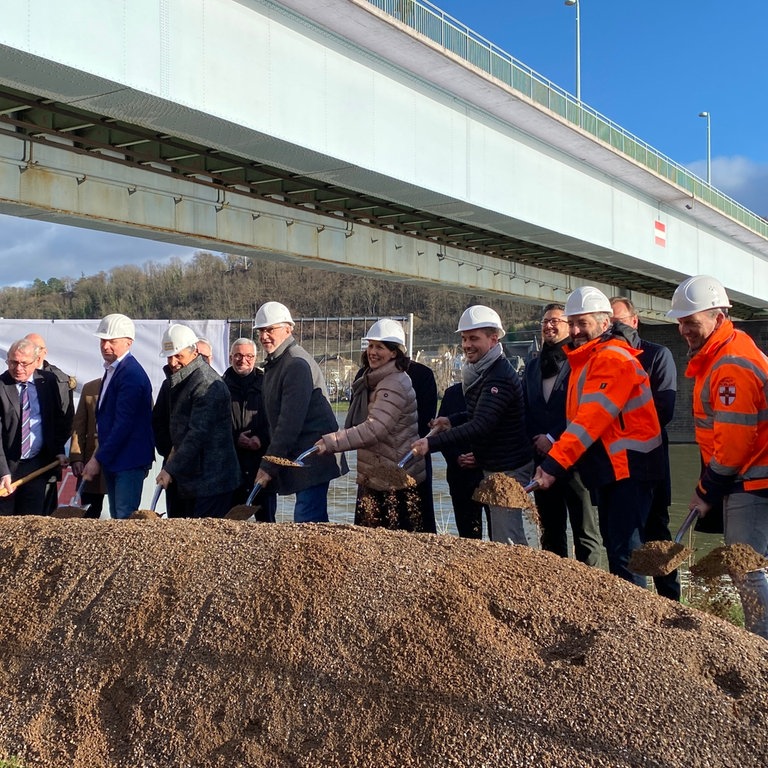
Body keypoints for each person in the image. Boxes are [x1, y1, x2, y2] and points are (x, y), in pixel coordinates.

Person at [533, 287, 664, 586]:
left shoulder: (610, 359)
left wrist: (554, 464)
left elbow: (590, 421)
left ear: (605, 325)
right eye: (574, 323)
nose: (577, 330)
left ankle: (635, 622)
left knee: (625, 554)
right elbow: (581, 422)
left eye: (584, 323)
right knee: (617, 549)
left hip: (629, 468)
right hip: (613, 469)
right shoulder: (586, 360)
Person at [667, 275, 768, 639]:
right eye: (680, 322)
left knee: (747, 569)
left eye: (691, 322)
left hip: (752, 480)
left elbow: (735, 442)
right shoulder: (729, 352)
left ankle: (760, 648)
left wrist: (707, 489)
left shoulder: (731, 366)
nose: (684, 330)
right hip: (749, 477)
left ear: (719, 317)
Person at [411, 305, 534, 546]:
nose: (467, 345)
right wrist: (451, 420)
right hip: (497, 464)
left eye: (474, 339)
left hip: (508, 468)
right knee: (503, 536)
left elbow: (481, 424)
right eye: (464, 338)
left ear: (493, 339)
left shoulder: (498, 376)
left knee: (507, 539)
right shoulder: (485, 371)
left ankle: (516, 580)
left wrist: (430, 443)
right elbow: (481, 412)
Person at [314, 319, 426, 531]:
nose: (373, 352)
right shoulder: (374, 379)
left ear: (394, 353)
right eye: (371, 345)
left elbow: (375, 428)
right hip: (378, 474)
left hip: (392, 479)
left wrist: (332, 442)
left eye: (380, 347)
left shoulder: (392, 384)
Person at [611, 296, 680, 600]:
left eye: (620, 321)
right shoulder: (605, 359)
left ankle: (671, 603)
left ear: (634, 321)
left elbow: (664, 410)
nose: (615, 327)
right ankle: (637, 606)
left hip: (651, 462)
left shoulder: (656, 355)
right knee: (626, 540)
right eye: (609, 322)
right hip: (617, 466)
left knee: (657, 535)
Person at [523, 303, 602, 565]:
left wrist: (552, 438)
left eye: (556, 320)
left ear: (570, 326)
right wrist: (538, 439)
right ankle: (555, 589)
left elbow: (583, 410)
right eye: (545, 321)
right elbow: (527, 408)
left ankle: (592, 589)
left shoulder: (581, 361)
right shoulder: (533, 367)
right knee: (549, 533)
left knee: (586, 534)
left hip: (577, 461)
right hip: (543, 464)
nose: (549, 325)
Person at [253, 301, 344, 523]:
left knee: (307, 523)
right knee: (308, 524)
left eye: (270, 330)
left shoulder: (295, 364)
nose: (264, 336)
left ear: (288, 329)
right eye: (261, 331)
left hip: (314, 454)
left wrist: (268, 466)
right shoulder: (278, 363)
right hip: (302, 455)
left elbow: (289, 423)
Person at [155, 324, 240, 518]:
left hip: (211, 482)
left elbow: (197, 434)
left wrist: (170, 468)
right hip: (185, 478)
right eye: (169, 356)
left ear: (194, 352)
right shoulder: (175, 381)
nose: (173, 362)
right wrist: (168, 453)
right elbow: (160, 423)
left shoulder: (207, 383)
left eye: (178, 356)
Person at [81, 313, 155, 519]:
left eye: (112, 341)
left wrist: (97, 458)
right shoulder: (114, 370)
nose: (105, 346)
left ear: (128, 343)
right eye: (103, 340)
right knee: (117, 517)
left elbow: (123, 424)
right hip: (117, 458)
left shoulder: (130, 374)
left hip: (129, 458)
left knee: (124, 517)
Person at [0, 338, 69, 515]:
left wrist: (59, 450)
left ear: (36, 361)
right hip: (7, 467)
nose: (18, 368)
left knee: (32, 522)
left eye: (24, 363)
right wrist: (3, 472)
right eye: (13, 362)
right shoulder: (1, 385)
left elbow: (56, 420)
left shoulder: (48, 382)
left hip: (37, 466)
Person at [223, 337, 276, 522]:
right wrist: (235, 438)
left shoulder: (267, 383)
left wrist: (261, 438)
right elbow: (214, 425)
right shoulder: (219, 386)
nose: (242, 360)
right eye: (238, 355)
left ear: (255, 358)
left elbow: (276, 421)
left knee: (267, 524)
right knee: (230, 525)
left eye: (248, 356)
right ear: (230, 358)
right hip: (231, 468)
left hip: (261, 466)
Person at [25, 332, 76, 516]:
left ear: (43, 353)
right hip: (17, 463)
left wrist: (56, 449)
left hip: (46, 459)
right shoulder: (11, 378)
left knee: (42, 512)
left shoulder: (58, 380)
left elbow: (66, 419)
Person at [437, 382, 487, 539]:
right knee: (467, 535)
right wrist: (456, 457)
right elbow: (440, 433)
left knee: (500, 533)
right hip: (459, 473)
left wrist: (481, 457)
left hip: (490, 471)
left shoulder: (496, 390)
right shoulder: (452, 393)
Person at [68, 377, 107, 519]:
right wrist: (76, 457)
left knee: (122, 513)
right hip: (90, 460)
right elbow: (79, 425)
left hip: (122, 461)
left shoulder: (134, 384)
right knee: (89, 512)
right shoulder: (91, 387)